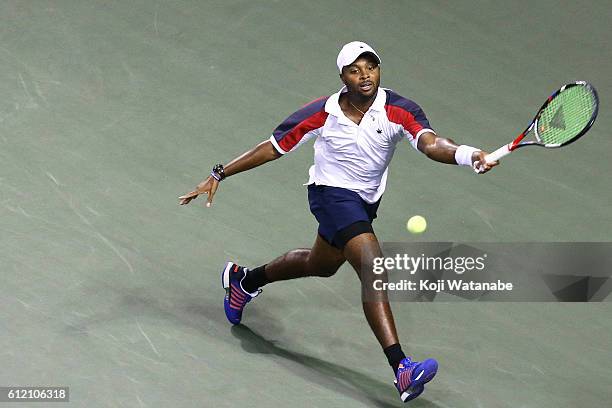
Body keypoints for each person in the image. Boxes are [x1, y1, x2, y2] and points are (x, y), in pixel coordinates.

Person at [179, 41, 498, 403]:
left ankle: (244, 280)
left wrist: (467, 155)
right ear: (342, 76)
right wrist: (219, 173)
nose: (365, 76)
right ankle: (401, 368)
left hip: (363, 203)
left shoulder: (399, 109)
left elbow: (430, 142)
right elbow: (272, 146)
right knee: (374, 268)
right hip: (330, 195)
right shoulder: (322, 112)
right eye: (355, 70)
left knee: (322, 265)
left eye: (371, 67)